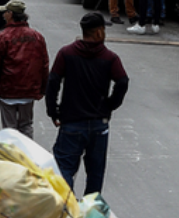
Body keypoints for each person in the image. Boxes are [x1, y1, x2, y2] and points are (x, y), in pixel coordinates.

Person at [46, 12, 129, 195]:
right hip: (99, 124)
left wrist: (54, 111)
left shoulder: (66, 53)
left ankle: (67, 209)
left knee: (65, 169)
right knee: (95, 173)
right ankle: (90, 212)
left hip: (71, 122)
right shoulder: (110, 58)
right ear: (98, 32)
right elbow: (122, 81)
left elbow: (53, 81)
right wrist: (109, 105)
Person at [0, 0, 49, 139]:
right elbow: (44, 64)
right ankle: (26, 156)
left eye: (5, 13)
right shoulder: (37, 37)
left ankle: (11, 157)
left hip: (9, 91)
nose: (3, 15)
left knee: (9, 129)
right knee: (26, 126)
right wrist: (42, 89)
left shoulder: (2, 37)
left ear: (10, 14)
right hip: (28, 91)